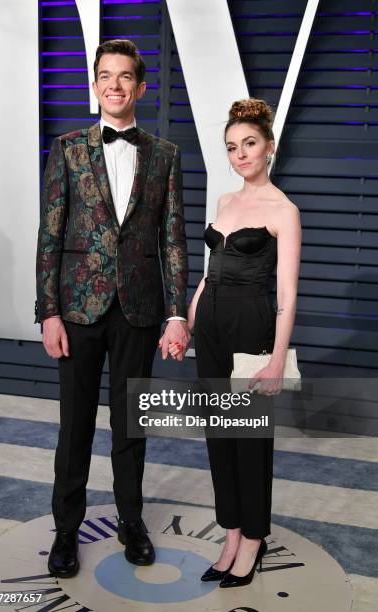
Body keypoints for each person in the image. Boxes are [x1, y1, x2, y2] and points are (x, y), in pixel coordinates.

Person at [35, 39, 190, 577]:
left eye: (126, 76)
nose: (115, 85)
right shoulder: (67, 148)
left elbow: (172, 240)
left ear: (140, 87)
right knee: (73, 427)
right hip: (77, 310)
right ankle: (65, 532)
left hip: (140, 310)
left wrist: (176, 314)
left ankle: (132, 521)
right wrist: (48, 311)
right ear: (95, 84)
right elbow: (50, 233)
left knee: (131, 426)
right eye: (106, 75)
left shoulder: (165, 155)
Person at [171, 98, 301, 588]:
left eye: (249, 144)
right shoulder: (225, 203)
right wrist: (185, 321)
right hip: (209, 326)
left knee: (249, 439)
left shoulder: (284, 210)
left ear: (269, 147)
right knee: (219, 436)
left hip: (252, 321)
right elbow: (208, 276)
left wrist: (273, 361)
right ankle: (230, 532)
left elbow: (287, 293)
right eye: (231, 147)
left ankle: (253, 539)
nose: (240, 154)